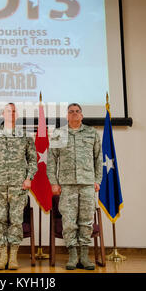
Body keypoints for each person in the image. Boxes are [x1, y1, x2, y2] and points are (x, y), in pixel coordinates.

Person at [0, 103, 38, 270]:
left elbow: (33, 161)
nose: (10, 113)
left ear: (17, 114)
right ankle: (2, 255)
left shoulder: (25, 136)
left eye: (13, 111)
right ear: (2, 114)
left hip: (19, 186)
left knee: (16, 221)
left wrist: (29, 178)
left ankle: (13, 256)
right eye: (7, 111)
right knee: (0, 220)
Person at [47, 103, 102, 270]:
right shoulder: (59, 134)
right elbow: (51, 160)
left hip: (86, 183)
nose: (75, 114)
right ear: (67, 116)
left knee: (86, 222)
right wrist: (54, 182)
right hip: (67, 184)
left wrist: (97, 180)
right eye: (71, 112)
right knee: (69, 221)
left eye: (77, 112)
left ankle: (84, 256)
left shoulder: (92, 133)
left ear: (82, 115)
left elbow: (98, 159)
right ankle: (72, 255)